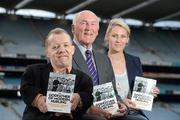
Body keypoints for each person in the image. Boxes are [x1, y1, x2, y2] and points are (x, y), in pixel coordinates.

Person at [20, 28, 93, 120]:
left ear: (73, 49)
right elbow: (25, 89)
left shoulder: (85, 79)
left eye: (66, 45)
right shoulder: (33, 71)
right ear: (47, 52)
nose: (62, 50)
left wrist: (79, 99)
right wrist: (38, 100)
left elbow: (88, 97)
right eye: (55, 47)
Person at [71, 10, 127, 120]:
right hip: (80, 114)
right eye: (83, 23)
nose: (88, 28)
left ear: (97, 30)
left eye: (93, 24)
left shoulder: (104, 59)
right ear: (73, 28)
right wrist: (89, 108)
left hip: (108, 112)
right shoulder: (64, 54)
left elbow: (113, 91)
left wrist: (120, 104)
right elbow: (61, 96)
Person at [105, 18, 160, 120]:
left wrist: (149, 91)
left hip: (132, 112)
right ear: (107, 37)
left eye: (123, 36)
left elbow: (139, 88)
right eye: (114, 36)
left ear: (127, 40)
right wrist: (120, 102)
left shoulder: (135, 61)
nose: (118, 40)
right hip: (108, 112)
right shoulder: (98, 60)